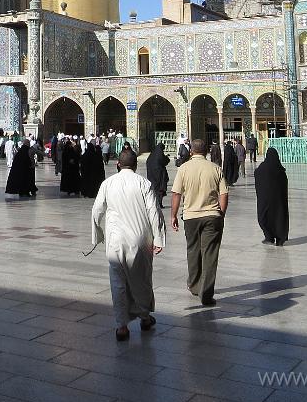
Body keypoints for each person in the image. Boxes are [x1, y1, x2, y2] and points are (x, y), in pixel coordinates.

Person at [91, 147, 165, 341]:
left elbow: (97, 211)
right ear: (136, 164)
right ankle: (145, 317)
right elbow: (154, 212)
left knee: (118, 284)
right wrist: (158, 238)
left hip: (115, 241)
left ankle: (122, 326)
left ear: (117, 164)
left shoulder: (108, 183)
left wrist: (98, 236)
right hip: (141, 240)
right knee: (141, 280)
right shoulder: (144, 183)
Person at [170, 138, 228, 307]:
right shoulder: (215, 168)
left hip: (191, 217)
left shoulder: (184, 168)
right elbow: (223, 194)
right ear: (206, 151)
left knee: (193, 250)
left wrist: (173, 215)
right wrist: (221, 214)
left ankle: (195, 286)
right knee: (210, 254)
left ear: (191, 152)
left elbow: (176, 194)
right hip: (212, 216)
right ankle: (207, 293)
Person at [254, 147, 289, 246]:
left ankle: (269, 236)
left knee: (263, 217)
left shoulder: (262, 168)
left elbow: (257, 174)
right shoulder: (281, 171)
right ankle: (280, 239)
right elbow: (284, 186)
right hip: (279, 201)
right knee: (279, 218)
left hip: (265, 200)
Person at [145, 142, 169, 209]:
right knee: (160, 189)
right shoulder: (160, 155)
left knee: (154, 189)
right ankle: (159, 203)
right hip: (160, 176)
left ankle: (154, 203)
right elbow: (164, 161)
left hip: (152, 177)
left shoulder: (152, 156)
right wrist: (166, 158)